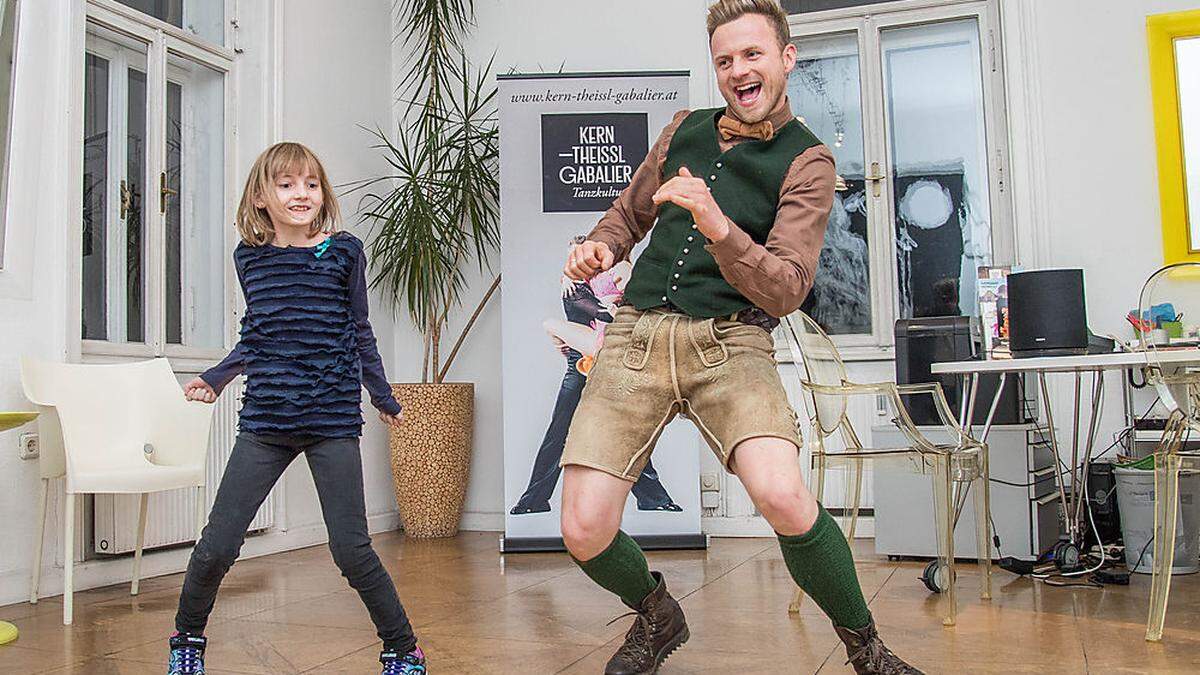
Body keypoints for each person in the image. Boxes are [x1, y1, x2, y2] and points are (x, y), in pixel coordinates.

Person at [556, 2, 923, 673]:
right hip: (638, 335)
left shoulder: (809, 161)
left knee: (783, 494)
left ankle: (867, 648)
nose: (737, 71)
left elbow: (786, 286)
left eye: (752, 55)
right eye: (725, 60)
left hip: (734, 342)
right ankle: (657, 612)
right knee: (581, 524)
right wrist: (599, 250)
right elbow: (628, 215)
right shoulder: (682, 130)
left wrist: (720, 226)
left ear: (785, 57)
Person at [167, 142, 425, 675]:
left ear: (322, 192)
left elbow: (359, 330)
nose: (300, 193)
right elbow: (261, 333)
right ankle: (186, 643)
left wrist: (382, 396)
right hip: (267, 420)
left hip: (331, 421)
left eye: (310, 183)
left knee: (352, 549)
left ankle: (402, 648)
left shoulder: (345, 251)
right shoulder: (250, 258)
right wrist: (216, 379)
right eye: (286, 184)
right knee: (217, 545)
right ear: (262, 197)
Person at [511, 256, 681, 515]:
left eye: (579, 256)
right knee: (560, 433)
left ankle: (653, 498)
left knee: (624, 431)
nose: (574, 262)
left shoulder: (615, 274)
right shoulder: (573, 288)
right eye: (571, 258)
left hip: (609, 360)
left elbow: (628, 310)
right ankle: (533, 500)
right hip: (581, 366)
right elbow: (601, 316)